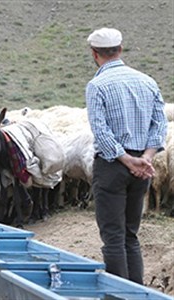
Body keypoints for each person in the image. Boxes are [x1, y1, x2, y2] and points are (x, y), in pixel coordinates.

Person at [85, 27, 168, 284]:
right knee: (130, 235)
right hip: (143, 167)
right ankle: (137, 291)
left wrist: (125, 159)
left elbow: (100, 129)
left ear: (94, 54)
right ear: (120, 50)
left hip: (113, 166)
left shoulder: (97, 86)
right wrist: (146, 157)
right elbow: (160, 124)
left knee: (113, 236)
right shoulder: (147, 81)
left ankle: (119, 293)